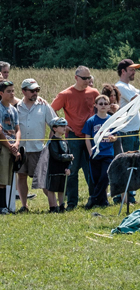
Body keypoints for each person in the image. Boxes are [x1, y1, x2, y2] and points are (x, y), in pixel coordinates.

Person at [51, 66, 100, 210]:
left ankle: (94, 199)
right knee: (71, 170)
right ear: (76, 78)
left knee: (91, 169)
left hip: (90, 136)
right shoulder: (65, 94)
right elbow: (52, 109)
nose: (87, 81)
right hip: (73, 137)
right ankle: (72, 202)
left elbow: (100, 109)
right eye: (84, 78)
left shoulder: (94, 92)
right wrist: (63, 125)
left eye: (89, 78)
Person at [15, 78, 56, 213]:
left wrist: (49, 143)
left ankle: (54, 206)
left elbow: (54, 124)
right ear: (23, 91)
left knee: (42, 179)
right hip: (21, 150)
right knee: (21, 176)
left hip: (38, 149)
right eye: (32, 90)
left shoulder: (44, 105)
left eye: (37, 90)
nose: (35, 93)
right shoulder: (17, 107)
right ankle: (24, 205)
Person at [81, 95, 116, 209]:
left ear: (109, 106)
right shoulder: (91, 121)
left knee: (105, 177)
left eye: (105, 104)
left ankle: (93, 199)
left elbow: (116, 135)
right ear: (95, 105)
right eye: (100, 104)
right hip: (95, 154)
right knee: (96, 178)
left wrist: (113, 138)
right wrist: (90, 153)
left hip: (108, 154)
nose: (103, 106)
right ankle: (103, 201)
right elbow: (87, 138)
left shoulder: (111, 120)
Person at [114, 59, 140, 153]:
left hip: (133, 133)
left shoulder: (130, 87)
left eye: (134, 70)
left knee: (134, 160)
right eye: (131, 70)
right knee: (127, 160)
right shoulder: (120, 86)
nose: (134, 72)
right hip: (126, 133)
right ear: (123, 71)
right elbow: (138, 99)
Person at [0, 80, 21, 215]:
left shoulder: (13, 109)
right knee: (2, 178)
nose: (12, 93)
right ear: (1, 93)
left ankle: (8, 205)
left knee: (9, 176)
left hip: (13, 146)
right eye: (8, 91)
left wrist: (17, 144)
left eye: (13, 91)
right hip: (3, 146)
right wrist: (9, 146)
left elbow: (17, 129)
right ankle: (2, 206)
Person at [45, 117, 73, 212]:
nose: (64, 128)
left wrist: (69, 167)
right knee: (52, 189)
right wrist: (68, 157)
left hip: (63, 169)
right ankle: (53, 207)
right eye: (61, 126)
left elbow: (69, 155)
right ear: (55, 128)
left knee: (62, 189)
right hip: (54, 169)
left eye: (65, 126)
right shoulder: (52, 142)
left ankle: (61, 206)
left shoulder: (65, 141)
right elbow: (56, 155)